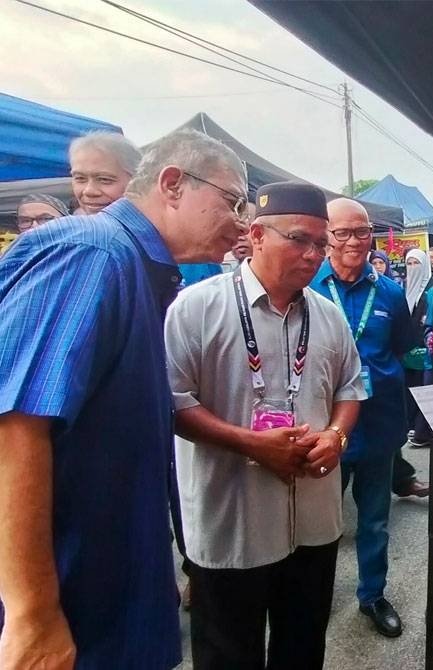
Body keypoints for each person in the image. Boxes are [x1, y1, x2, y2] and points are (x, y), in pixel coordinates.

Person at [0, 128, 248, 670]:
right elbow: (15, 425)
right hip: (69, 614)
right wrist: (33, 613)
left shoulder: (136, 267)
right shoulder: (94, 253)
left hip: (109, 596)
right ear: (173, 184)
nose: (242, 222)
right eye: (232, 201)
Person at [166, 182, 365, 669]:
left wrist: (336, 436)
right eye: (300, 239)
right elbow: (171, 402)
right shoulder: (195, 309)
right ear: (256, 234)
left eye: (322, 243)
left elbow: (351, 388)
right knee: (227, 654)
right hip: (234, 520)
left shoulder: (328, 315)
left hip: (313, 520)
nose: (315, 254)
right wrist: (252, 443)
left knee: (302, 647)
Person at [310, 198, 423, 638]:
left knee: (374, 520)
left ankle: (372, 596)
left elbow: (398, 350)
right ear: (327, 235)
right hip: (324, 428)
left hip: (378, 426)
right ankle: (312, 597)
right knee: (320, 523)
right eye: (343, 233)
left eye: (362, 231)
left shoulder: (391, 293)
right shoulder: (311, 287)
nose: (354, 241)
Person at [68, 130, 141, 214]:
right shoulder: (63, 225)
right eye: (80, 178)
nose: (89, 191)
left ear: (136, 182)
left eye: (104, 179)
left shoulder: (155, 224)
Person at [403, 248, 433, 447]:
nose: (413, 268)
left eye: (417, 264)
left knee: (425, 389)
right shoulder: (405, 289)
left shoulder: (431, 289)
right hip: (408, 352)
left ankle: (423, 430)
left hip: (425, 350)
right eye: (409, 264)